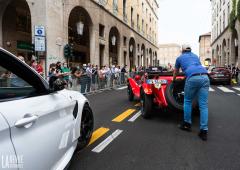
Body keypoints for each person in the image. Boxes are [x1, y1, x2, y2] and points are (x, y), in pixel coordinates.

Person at [173, 44, 210, 141]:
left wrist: (174, 80)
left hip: (193, 78)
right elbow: (195, 67)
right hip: (205, 77)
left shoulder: (179, 58)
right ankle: (204, 131)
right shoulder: (195, 56)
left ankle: (187, 124)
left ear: (182, 50)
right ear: (190, 50)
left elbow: (176, 71)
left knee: (188, 101)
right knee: (203, 105)